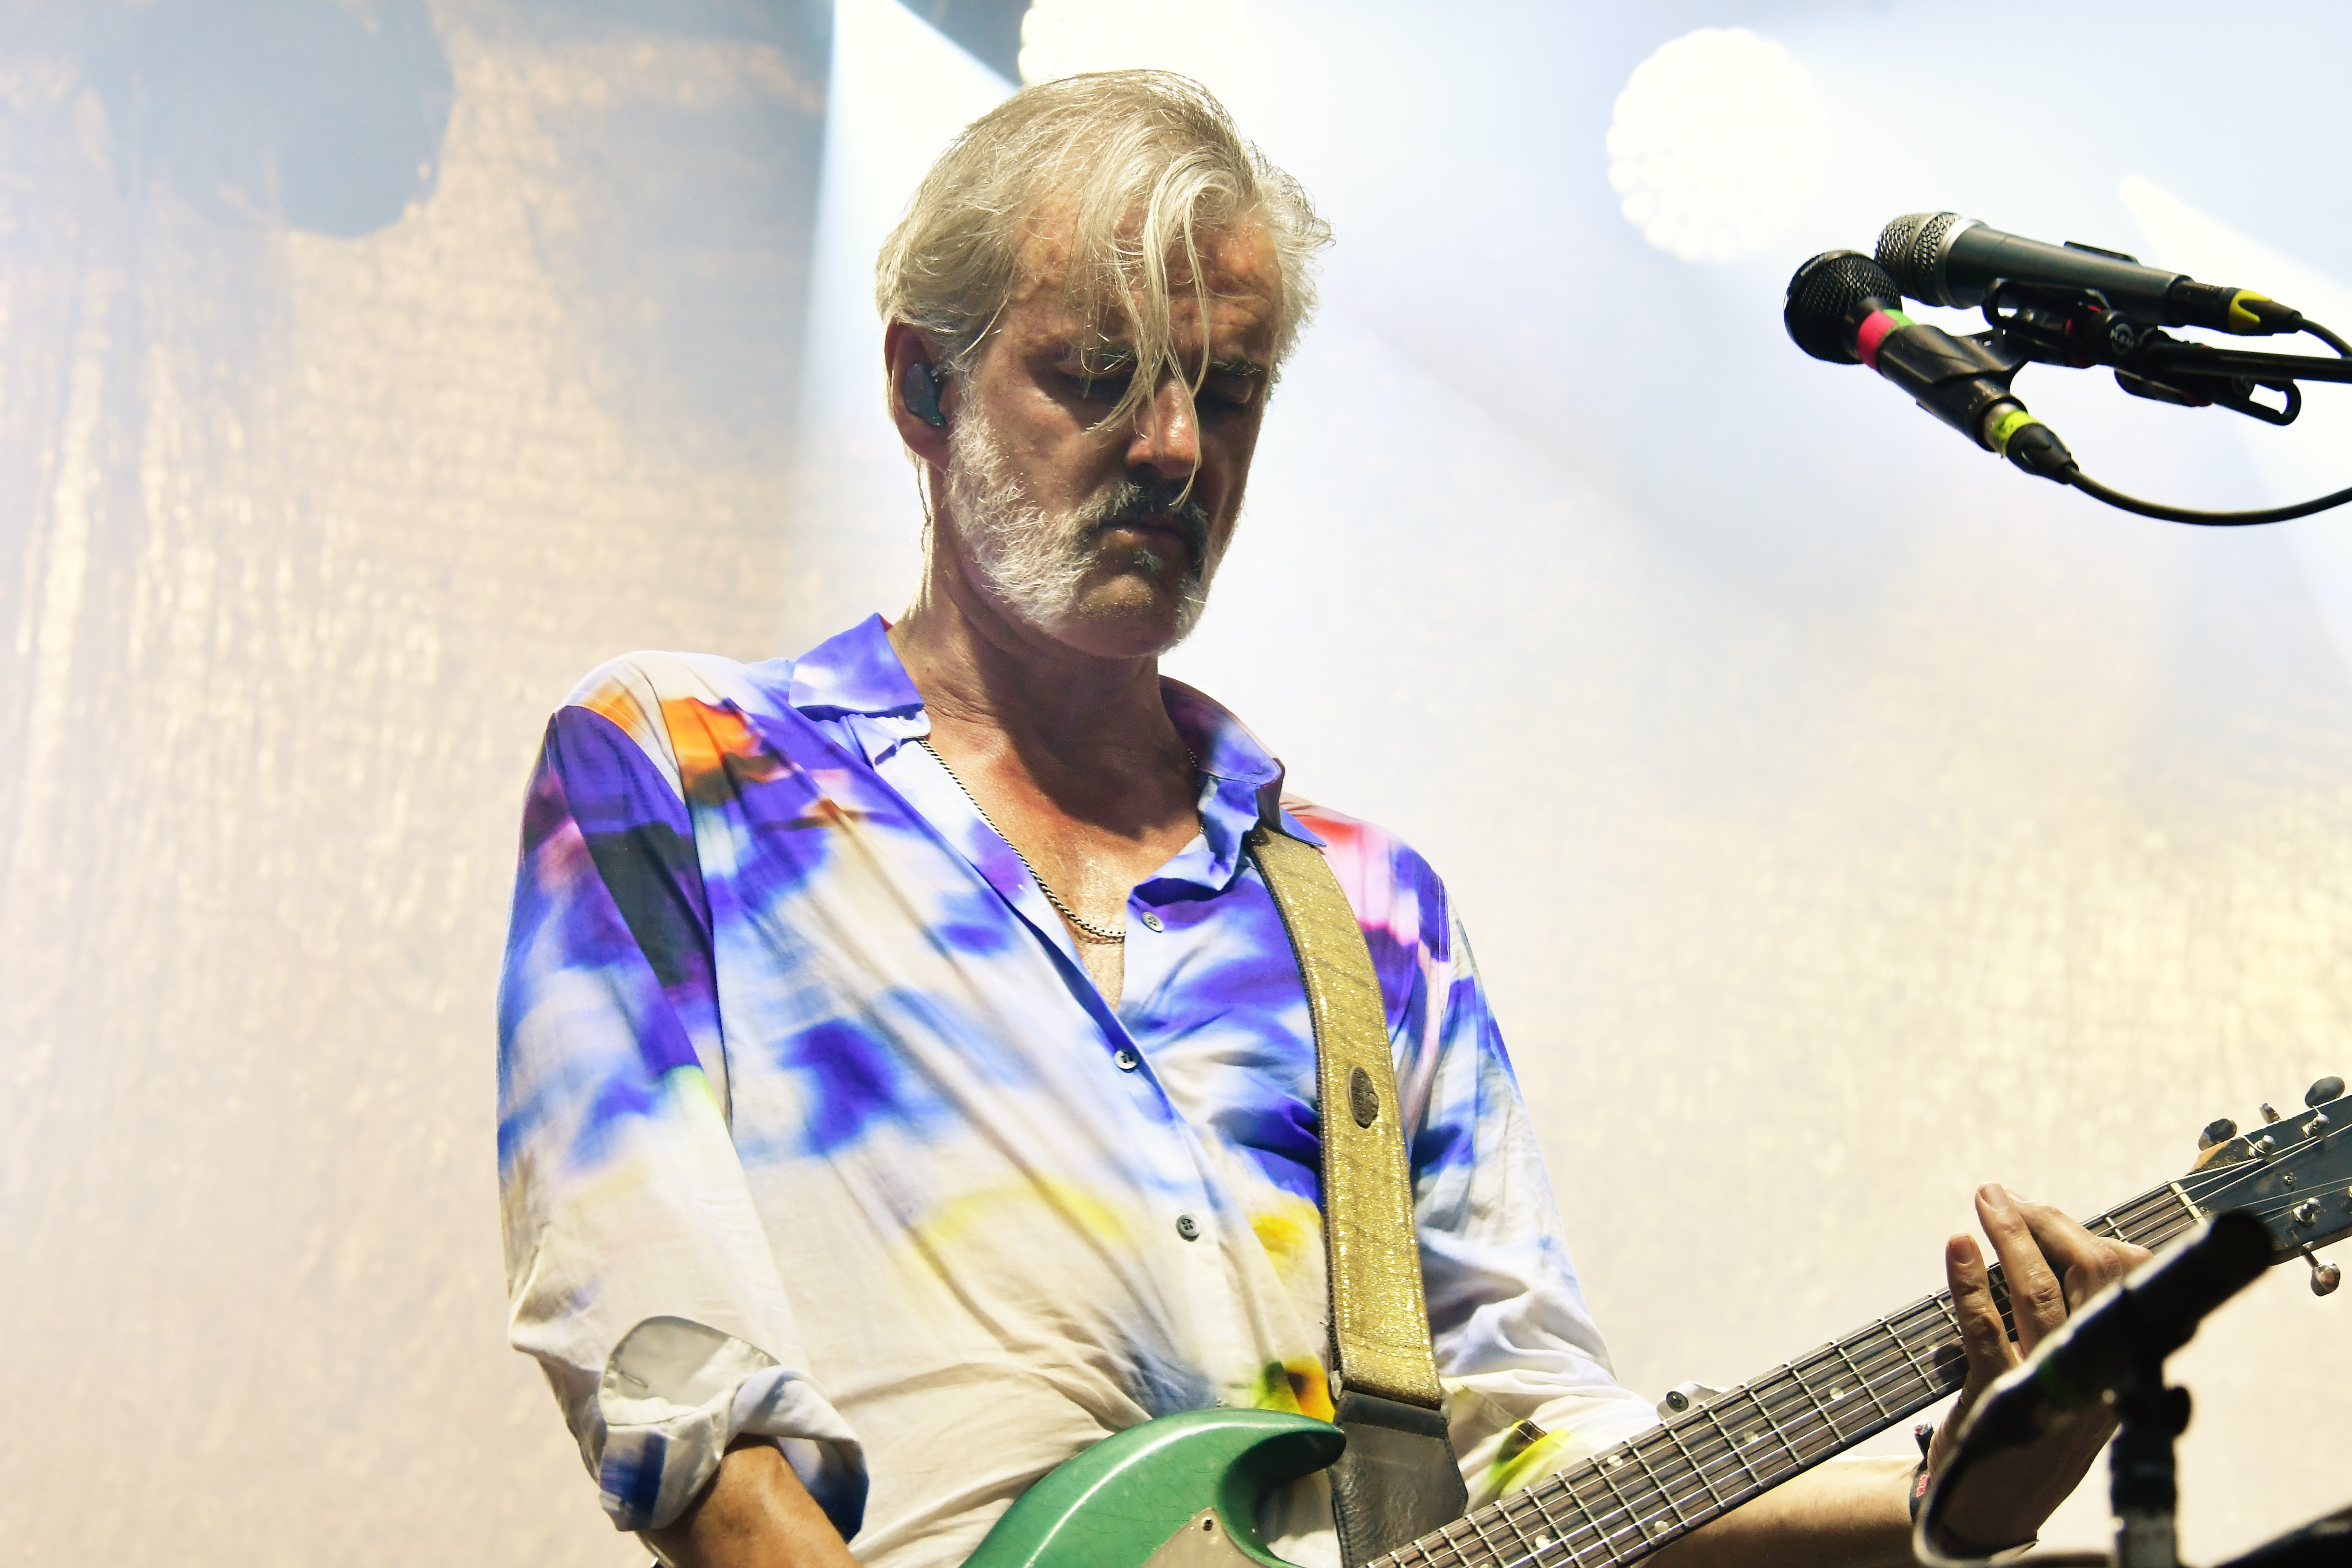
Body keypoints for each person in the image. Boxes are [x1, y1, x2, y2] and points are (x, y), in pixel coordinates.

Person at [496, 71, 2142, 1568]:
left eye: (1226, 392)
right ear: (925, 387)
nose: (1172, 447)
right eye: (1099, 374)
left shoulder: (1367, 911)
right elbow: (661, 1348)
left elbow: (1538, 1454)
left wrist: (1955, 1499)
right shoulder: (687, 766)